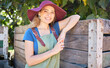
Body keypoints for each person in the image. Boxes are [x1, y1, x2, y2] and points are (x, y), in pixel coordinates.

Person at [23, 0, 80, 68]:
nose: (49, 15)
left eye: (52, 12)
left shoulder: (55, 28)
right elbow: (30, 61)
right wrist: (53, 51)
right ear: (39, 13)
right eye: (45, 11)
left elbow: (76, 17)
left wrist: (63, 32)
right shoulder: (30, 32)